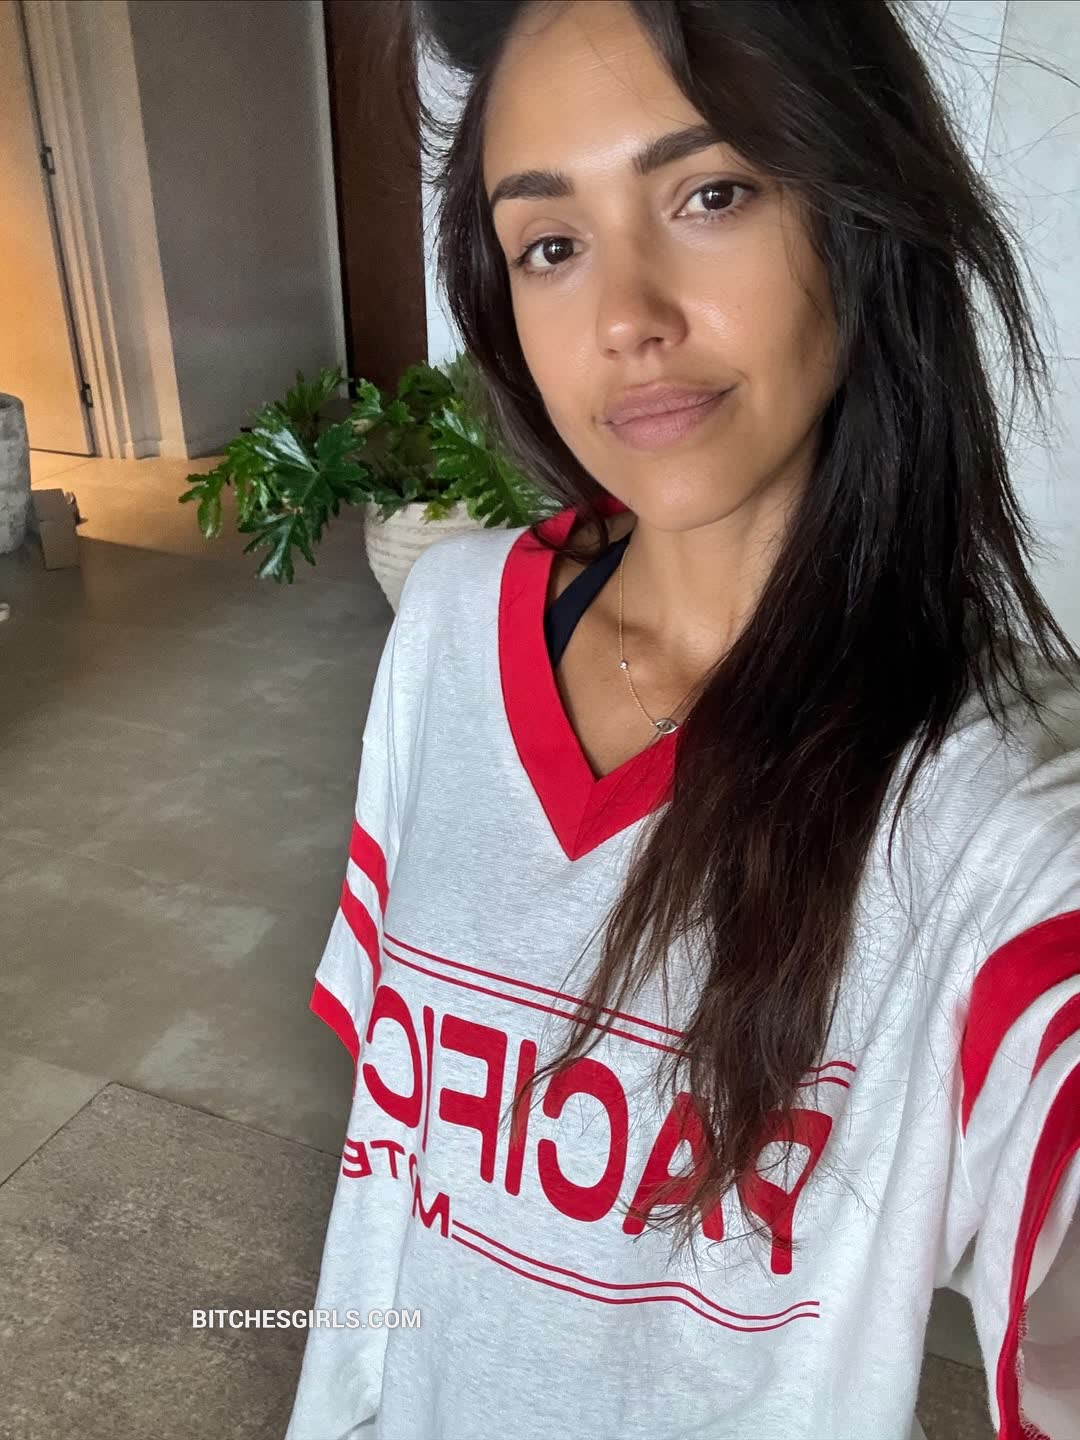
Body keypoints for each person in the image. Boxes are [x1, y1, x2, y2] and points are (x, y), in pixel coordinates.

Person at [284, 3, 1080, 1438]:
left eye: (711, 195)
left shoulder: (991, 810)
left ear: (858, 210)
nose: (625, 321)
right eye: (551, 243)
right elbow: (402, 1167)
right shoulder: (450, 631)